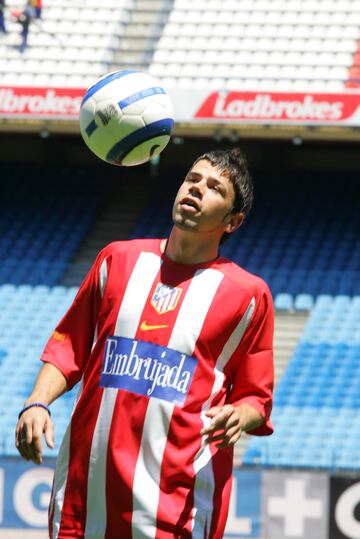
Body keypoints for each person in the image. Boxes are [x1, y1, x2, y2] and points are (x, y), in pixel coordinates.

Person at [15, 148, 274, 538]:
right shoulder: (116, 260)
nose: (196, 189)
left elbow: (258, 398)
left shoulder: (248, 295)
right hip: (83, 501)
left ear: (232, 221)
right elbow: (68, 348)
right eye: (192, 179)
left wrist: (240, 416)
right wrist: (36, 402)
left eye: (214, 187)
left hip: (174, 509)